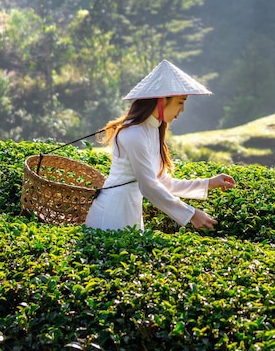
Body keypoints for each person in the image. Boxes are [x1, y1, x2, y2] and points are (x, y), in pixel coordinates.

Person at [85, 60, 236, 231]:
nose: (183, 109)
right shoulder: (134, 133)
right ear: (162, 101)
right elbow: (149, 186)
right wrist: (191, 214)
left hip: (130, 210)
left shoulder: (153, 129)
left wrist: (208, 183)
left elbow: (162, 182)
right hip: (111, 213)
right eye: (180, 102)